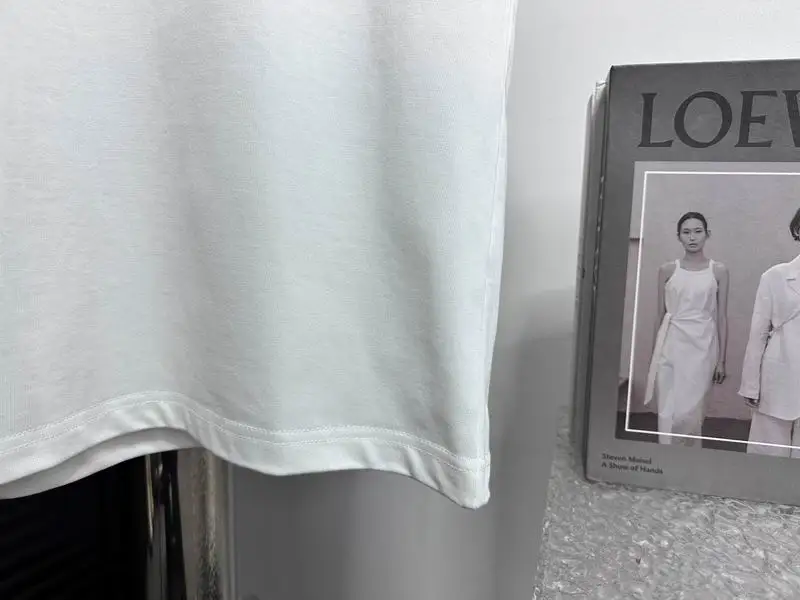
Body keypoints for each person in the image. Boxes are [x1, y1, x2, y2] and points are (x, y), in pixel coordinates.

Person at [643, 212, 729, 446]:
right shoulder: (667, 270)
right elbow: (659, 315)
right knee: (668, 409)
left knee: (691, 412)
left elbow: (722, 317)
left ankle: (689, 459)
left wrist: (722, 360)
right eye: (686, 232)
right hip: (670, 344)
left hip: (703, 345)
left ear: (707, 234)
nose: (692, 237)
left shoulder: (718, 271)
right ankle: (666, 458)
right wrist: (653, 355)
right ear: (679, 236)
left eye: (698, 231)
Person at [740, 207, 800, 457]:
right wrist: (750, 384)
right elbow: (758, 334)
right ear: (798, 230)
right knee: (770, 451)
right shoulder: (775, 277)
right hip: (779, 371)